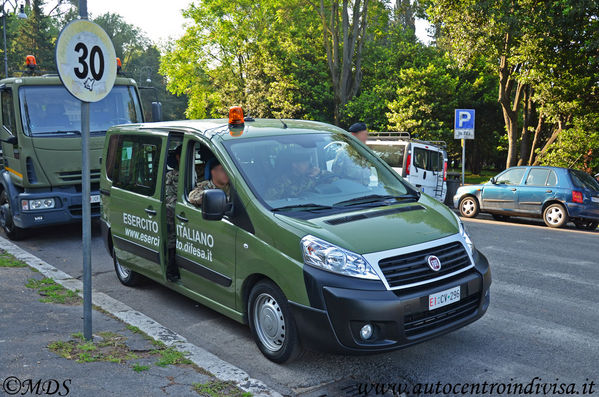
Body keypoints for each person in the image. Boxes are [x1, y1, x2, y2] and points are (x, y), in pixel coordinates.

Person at [265, 149, 334, 200]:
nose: (308, 165)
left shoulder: (311, 175)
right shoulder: (282, 182)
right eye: (304, 163)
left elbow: (337, 181)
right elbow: (270, 201)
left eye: (308, 162)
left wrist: (320, 173)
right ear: (294, 165)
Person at [165, 145, 182, 282]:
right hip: (173, 213)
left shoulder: (196, 172)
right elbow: (169, 199)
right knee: (173, 242)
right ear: (177, 157)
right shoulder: (171, 176)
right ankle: (172, 269)